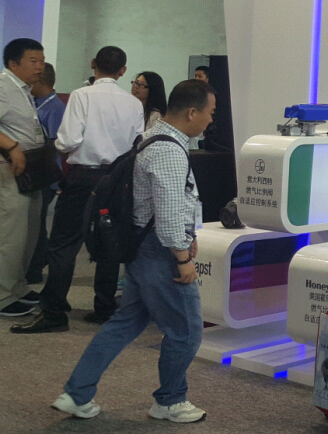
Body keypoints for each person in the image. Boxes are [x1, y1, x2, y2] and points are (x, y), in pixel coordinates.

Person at [51, 79, 217, 423]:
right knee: (187, 331)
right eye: (210, 112)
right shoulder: (170, 150)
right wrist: (182, 256)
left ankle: (76, 394)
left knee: (124, 323)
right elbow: (168, 214)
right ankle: (170, 401)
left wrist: (187, 233)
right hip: (160, 252)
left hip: (142, 247)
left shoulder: (152, 137)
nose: (211, 120)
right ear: (192, 112)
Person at [13, 46, 144, 333]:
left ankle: (54, 312)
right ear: (123, 71)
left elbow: (68, 140)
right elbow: (137, 144)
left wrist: (59, 148)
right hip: (117, 180)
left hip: (83, 177)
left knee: (64, 244)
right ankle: (104, 308)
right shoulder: (134, 103)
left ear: (93, 64)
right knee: (109, 243)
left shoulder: (82, 95)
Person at [0, 38, 47, 317]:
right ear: (13, 63)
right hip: (9, 169)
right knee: (10, 234)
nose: (40, 67)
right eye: (34, 61)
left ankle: (16, 286)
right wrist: (11, 146)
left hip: (30, 171)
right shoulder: (3, 86)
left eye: (42, 61)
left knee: (28, 232)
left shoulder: (24, 89)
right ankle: (2, 295)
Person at [27, 62, 67, 285]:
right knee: (31, 221)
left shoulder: (55, 108)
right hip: (33, 173)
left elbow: (55, 145)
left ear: (40, 80)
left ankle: (35, 267)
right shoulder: (34, 102)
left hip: (44, 174)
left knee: (37, 223)